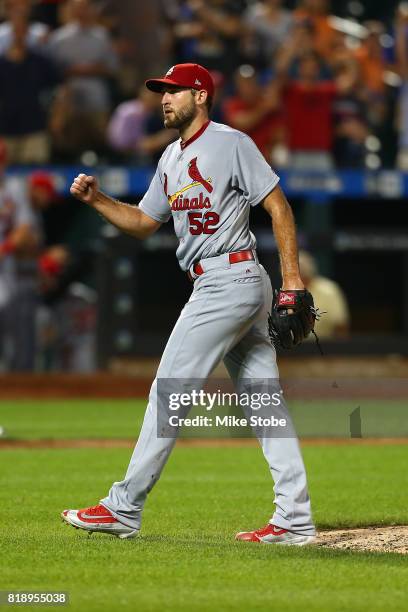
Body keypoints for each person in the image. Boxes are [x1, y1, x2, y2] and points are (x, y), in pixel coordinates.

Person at [62, 63, 316, 546]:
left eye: (173, 90)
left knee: (169, 389)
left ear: (200, 95)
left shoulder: (231, 143)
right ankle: (295, 519)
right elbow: (141, 222)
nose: (164, 98)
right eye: (161, 91)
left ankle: (123, 507)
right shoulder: (170, 159)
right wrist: (98, 200)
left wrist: (292, 279)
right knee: (264, 403)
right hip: (221, 282)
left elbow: (278, 206)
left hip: (231, 277)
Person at [299, 250, 350, 338]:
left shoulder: (329, 289)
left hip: (325, 347)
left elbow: (341, 325)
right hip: (292, 349)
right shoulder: (285, 293)